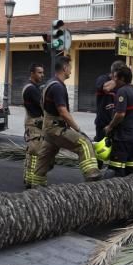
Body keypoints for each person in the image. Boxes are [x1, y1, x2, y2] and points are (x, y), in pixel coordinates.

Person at [35, 56, 101, 184]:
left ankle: (35, 185)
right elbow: (63, 112)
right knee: (84, 143)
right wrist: (78, 129)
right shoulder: (58, 87)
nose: (71, 71)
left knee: (44, 160)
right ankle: (92, 175)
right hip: (56, 129)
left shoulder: (50, 83)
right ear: (65, 68)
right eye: (70, 68)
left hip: (48, 129)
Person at [104, 66, 133, 177]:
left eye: (116, 77)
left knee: (116, 168)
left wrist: (110, 127)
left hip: (122, 138)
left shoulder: (122, 91)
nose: (114, 80)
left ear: (122, 78)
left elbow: (120, 114)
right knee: (131, 168)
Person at [21, 63, 50, 188]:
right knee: (37, 153)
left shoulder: (32, 87)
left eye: (43, 72)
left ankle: (29, 180)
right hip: (34, 125)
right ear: (32, 73)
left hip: (32, 124)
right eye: (39, 72)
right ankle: (35, 182)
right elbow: (44, 105)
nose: (42, 75)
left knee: (31, 153)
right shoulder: (31, 89)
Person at [94, 60, 128, 141]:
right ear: (115, 73)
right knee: (101, 151)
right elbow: (106, 88)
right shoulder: (102, 78)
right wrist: (117, 80)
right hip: (103, 124)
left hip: (117, 125)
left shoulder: (122, 83)